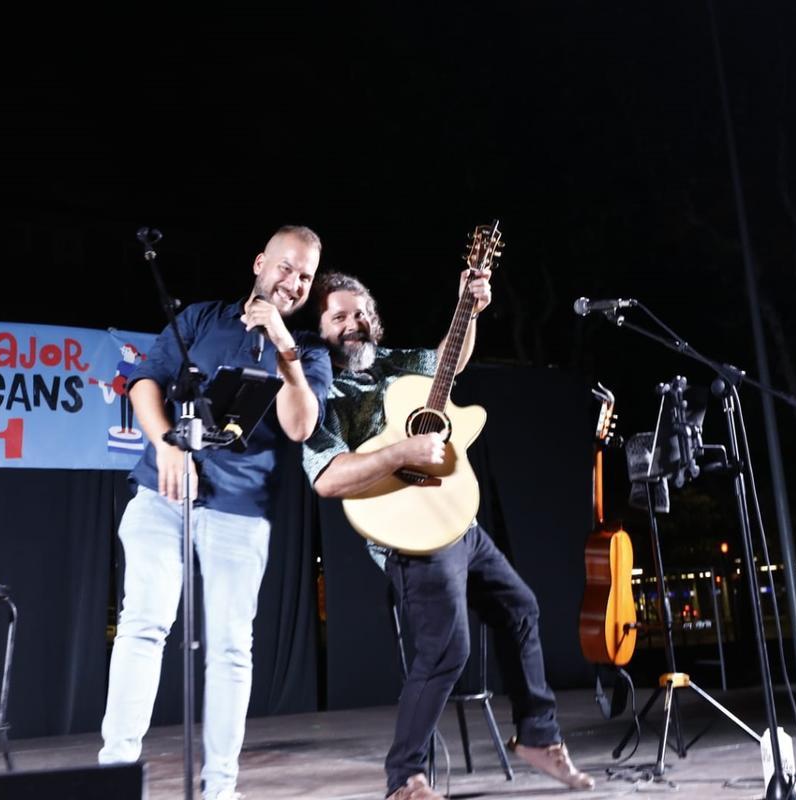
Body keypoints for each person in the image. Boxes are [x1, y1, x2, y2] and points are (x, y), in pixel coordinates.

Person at [302, 271, 594, 799]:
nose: (353, 324)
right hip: (410, 536)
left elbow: (449, 361)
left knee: (520, 607)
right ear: (320, 328)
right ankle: (404, 779)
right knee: (447, 651)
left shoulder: (397, 364)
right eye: (338, 316)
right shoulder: (324, 394)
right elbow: (327, 478)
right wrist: (401, 454)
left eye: (360, 313)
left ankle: (537, 736)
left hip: (459, 518)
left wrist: (470, 309)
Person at [99, 225, 331, 800]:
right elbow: (143, 383)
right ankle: (115, 773)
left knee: (230, 647)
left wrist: (284, 347)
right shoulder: (203, 318)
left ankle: (221, 787)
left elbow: (301, 425)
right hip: (162, 493)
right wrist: (165, 443)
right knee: (144, 623)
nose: (294, 283)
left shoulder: (309, 349)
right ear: (260, 263)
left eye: (305, 276)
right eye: (286, 267)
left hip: (240, 510)